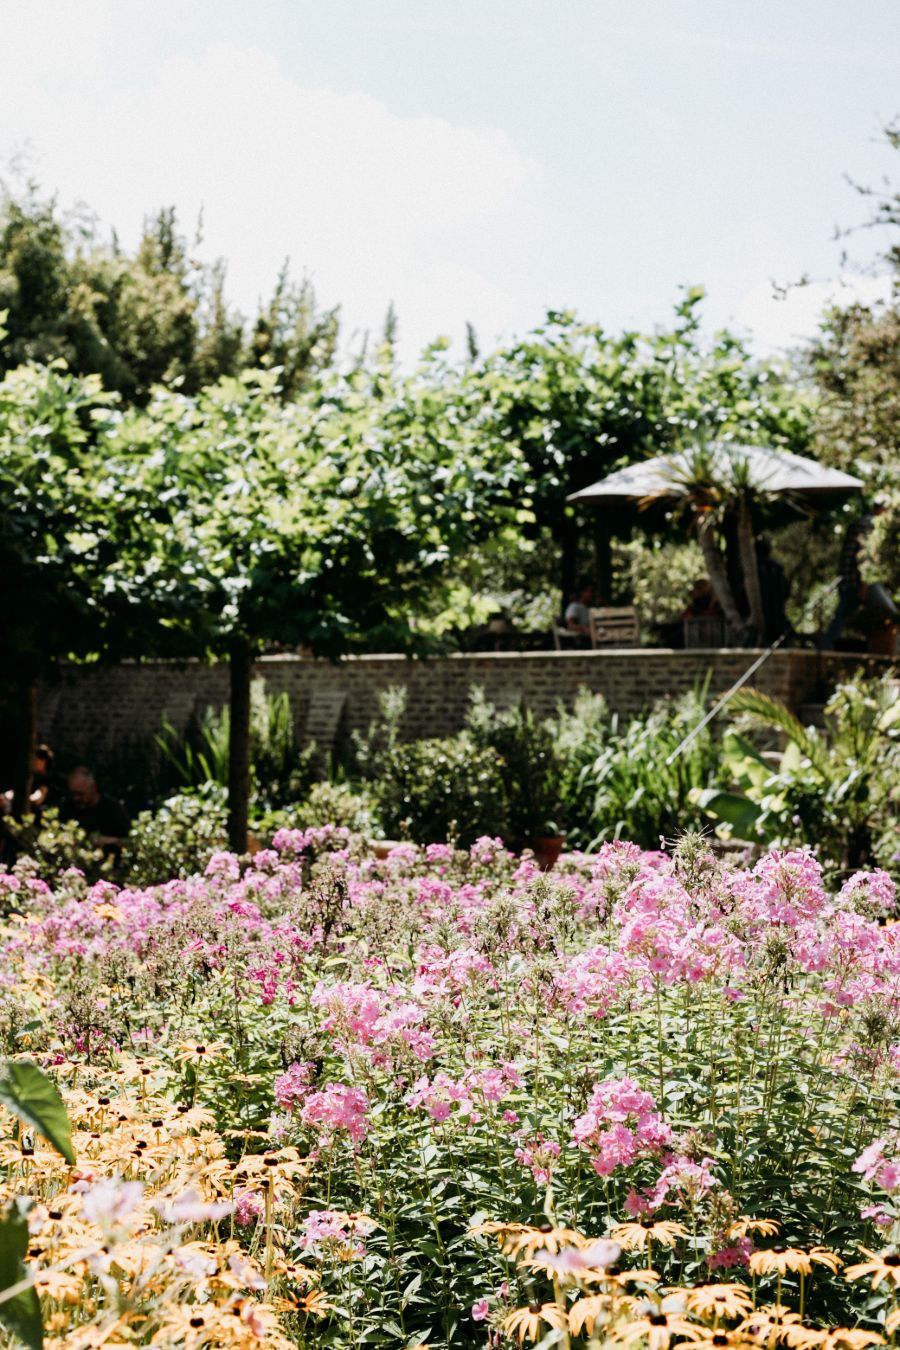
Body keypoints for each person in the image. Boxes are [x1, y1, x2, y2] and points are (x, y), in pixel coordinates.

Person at [60, 767, 129, 860]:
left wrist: (107, 840)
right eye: (73, 794)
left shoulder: (112, 808)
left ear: (93, 788)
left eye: (81, 794)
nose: (76, 798)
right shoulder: (67, 807)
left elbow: (128, 841)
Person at [755, 537, 791, 644]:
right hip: (777, 615)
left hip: (766, 614)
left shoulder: (754, 569)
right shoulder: (777, 568)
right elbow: (786, 591)